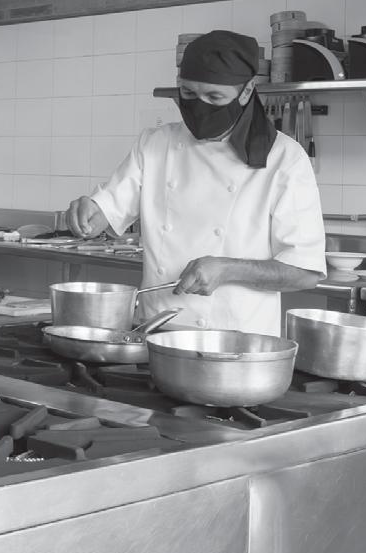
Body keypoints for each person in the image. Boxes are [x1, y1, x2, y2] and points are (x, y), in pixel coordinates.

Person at [66, 29, 325, 335]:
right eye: (188, 94)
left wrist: (228, 269)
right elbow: (105, 214)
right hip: (155, 334)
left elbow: (305, 272)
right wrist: (88, 214)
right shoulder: (156, 144)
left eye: (214, 97)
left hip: (235, 344)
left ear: (246, 91)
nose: (200, 106)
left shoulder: (284, 157)